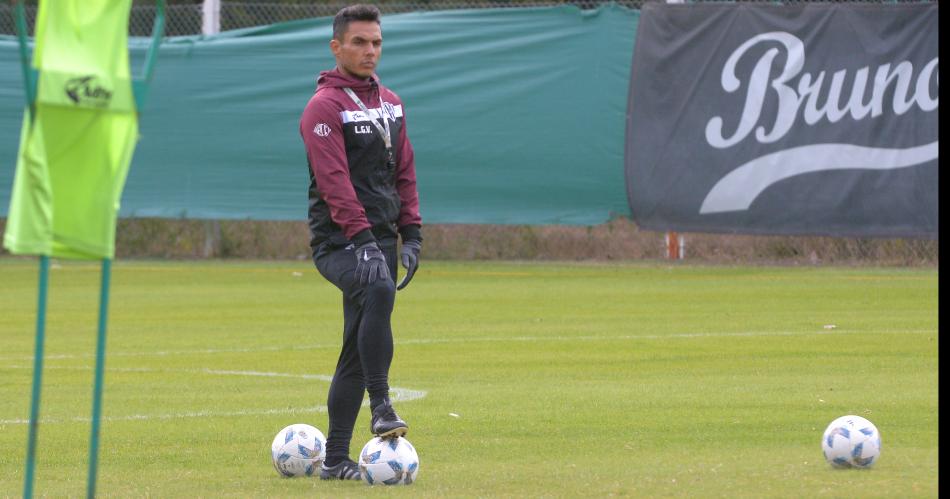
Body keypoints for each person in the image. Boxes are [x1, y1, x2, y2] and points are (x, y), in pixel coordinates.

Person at [298, 4, 423, 482]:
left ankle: (334, 459)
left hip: (381, 240)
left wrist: (410, 235)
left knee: (355, 345)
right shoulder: (323, 108)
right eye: (359, 42)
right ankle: (383, 404)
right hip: (339, 243)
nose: (369, 51)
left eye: (376, 43)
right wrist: (362, 240)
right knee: (377, 291)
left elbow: (404, 171)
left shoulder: (391, 102)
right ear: (337, 47)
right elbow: (334, 182)